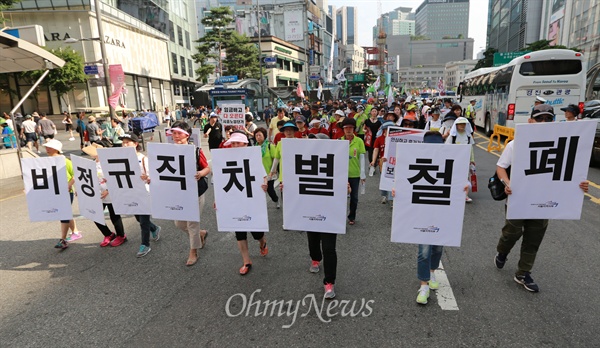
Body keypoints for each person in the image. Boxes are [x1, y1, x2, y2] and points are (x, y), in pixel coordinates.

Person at [494, 104, 589, 293]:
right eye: (539, 118)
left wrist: (580, 185)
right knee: (511, 232)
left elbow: (569, 173)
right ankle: (503, 251)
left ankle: (523, 273)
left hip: (544, 202)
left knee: (534, 238)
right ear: (530, 121)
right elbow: (501, 167)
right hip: (518, 199)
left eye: (548, 119)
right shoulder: (516, 144)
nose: (543, 122)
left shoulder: (564, 145)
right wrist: (507, 183)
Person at [221, 131, 269, 275]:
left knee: (256, 233)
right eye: (233, 143)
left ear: (245, 144)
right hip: (235, 201)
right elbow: (220, 183)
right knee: (239, 232)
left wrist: (264, 184)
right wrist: (219, 200)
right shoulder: (225, 159)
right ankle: (246, 261)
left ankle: (262, 242)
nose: (235, 146)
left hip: (251, 200)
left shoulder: (253, 158)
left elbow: (264, 176)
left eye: (238, 143)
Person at [169, 121, 210, 265]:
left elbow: (207, 168)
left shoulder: (195, 150)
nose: (176, 136)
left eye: (179, 133)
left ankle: (193, 252)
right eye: (174, 133)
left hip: (195, 192)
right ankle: (200, 234)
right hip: (178, 193)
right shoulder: (168, 151)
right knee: (179, 224)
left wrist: (200, 173)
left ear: (187, 135)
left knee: (192, 224)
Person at [305, 132, 340, 299]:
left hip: (330, 211)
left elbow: (341, 183)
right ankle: (315, 258)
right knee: (313, 240)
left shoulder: (334, 162)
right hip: (310, 209)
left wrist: (345, 189)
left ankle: (329, 282)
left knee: (329, 248)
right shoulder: (304, 161)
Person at [120, 133, 162, 256]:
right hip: (131, 192)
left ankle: (145, 245)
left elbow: (153, 176)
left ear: (136, 144)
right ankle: (154, 228)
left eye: (128, 142)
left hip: (144, 192)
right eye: (123, 142)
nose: (125, 144)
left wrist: (147, 177)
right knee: (138, 218)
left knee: (143, 220)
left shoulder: (143, 159)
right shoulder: (122, 159)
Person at [82, 143, 127, 248]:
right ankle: (108, 234)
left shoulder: (108, 162)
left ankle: (121, 235)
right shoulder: (92, 163)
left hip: (110, 193)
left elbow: (115, 177)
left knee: (114, 215)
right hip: (97, 193)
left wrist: (108, 189)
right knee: (94, 214)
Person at [43, 139, 83, 249]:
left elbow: (76, 174)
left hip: (66, 192)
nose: (46, 148)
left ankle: (63, 239)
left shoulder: (65, 161)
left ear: (56, 149)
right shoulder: (46, 161)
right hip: (55, 191)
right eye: (46, 146)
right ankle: (75, 232)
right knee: (66, 212)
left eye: (49, 147)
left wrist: (69, 184)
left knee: (63, 214)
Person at [339, 118, 366, 225]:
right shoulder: (339, 141)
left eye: (351, 127)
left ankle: (352, 216)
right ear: (343, 129)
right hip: (341, 174)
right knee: (340, 196)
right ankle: (339, 215)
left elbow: (362, 157)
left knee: (354, 197)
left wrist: (363, 174)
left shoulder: (359, 141)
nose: (348, 130)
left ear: (354, 129)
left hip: (354, 173)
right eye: (346, 128)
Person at [445, 117, 475, 202]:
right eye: (460, 124)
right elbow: (447, 148)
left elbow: (471, 148)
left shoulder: (468, 136)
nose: (462, 126)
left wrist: (472, 160)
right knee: (453, 177)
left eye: (464, 124)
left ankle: (465, 195)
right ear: (456, 125)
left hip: (465, 160)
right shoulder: (453, 136)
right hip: (454, 160)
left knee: (465, 177)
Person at [254, 127, 280, 209]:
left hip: (269, 172)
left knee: (270, 190)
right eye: (256, 135)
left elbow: (274, 159)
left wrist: (273, 170)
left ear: (264, 136)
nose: (258, 137)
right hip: (258, 173)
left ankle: (276, 200)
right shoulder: (254, 147)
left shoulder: (269, 146)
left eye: (260, 135)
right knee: (258, 190)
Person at [371, 122, 393, 204]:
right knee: (383, 178)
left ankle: (392, 198)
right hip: (382, 161)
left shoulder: (395, 138)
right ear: (384, 130)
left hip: (392, 161)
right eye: (388, 129)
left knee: (393, 178)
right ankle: (384, 195)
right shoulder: (379, 139)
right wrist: (373, 161)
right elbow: (376, 150)